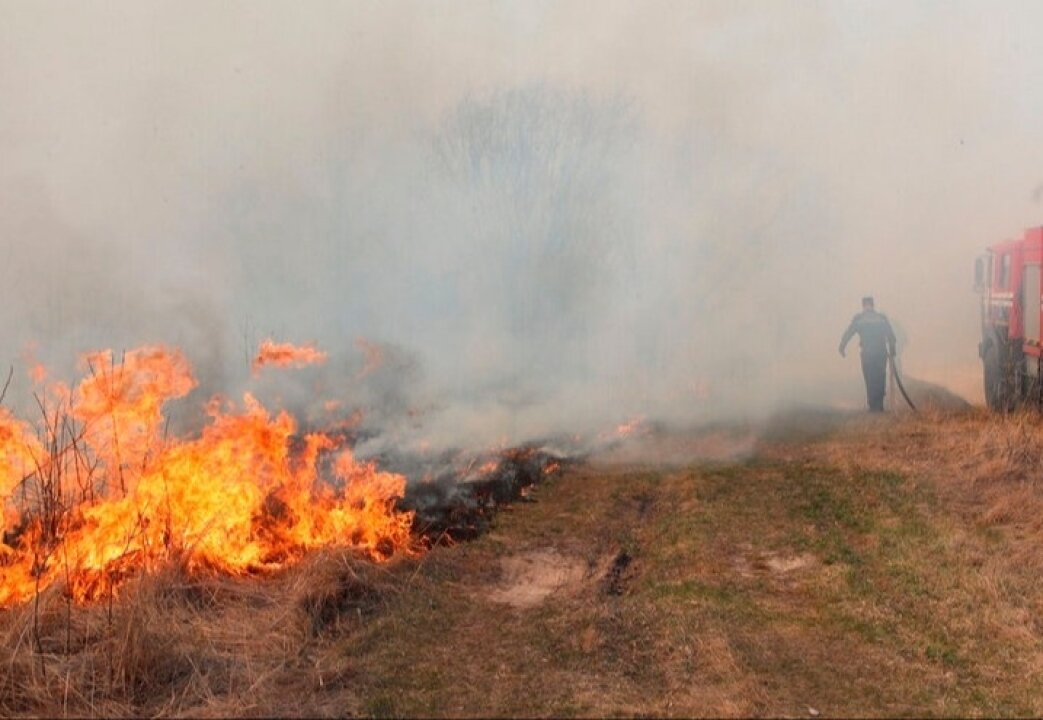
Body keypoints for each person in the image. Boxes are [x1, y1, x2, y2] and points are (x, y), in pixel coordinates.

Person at [838, 296, 897, 412]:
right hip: (881, 353)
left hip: (867, 355)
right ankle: (879, 405)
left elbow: (849, 333)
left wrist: (842, 347)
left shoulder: (859, 319)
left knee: (869, 378)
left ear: (863, 305)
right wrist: (892, 350)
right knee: (880, 377)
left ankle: (872, 405)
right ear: (873, 305)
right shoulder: (881, 318)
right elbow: (891, 336)